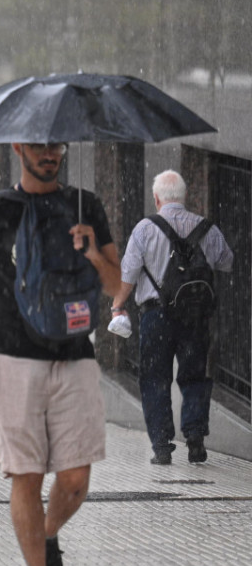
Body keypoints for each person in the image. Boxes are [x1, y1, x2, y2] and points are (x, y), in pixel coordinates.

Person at [0, 142, 122, 566]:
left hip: (74, 355)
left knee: (74, 480)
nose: (50, 154)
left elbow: (116, 285)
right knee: (26, 475)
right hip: (10, 355)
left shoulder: (85, 205)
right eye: (39, 146)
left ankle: (46, 535)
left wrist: (91, 251)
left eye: (57, 146)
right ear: (17, 147)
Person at [109, 170, 232, 465]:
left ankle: (162, 446)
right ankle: (195, 438)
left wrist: (117, 305)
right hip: (195, 316)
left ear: (156, 198)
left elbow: (128, 274)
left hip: (156, 316)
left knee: (155, 378)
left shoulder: (145, 229)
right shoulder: (206, 228)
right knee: (194, 376)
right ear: (184, 196)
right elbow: (226, 262)